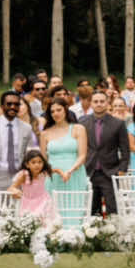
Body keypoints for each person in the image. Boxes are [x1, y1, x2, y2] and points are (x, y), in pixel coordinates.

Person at [40, 97, 89, 227]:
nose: (56, 113)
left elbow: (82, 155)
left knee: (73, 205)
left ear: (66, 110)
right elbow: (43, 160)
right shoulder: (45, 133)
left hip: (74, 173)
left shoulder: (78, 129)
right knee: (54, 208)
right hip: (54, 175)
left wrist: (70, 171)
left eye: (59, 110)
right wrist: (54, 171)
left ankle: (73, 235)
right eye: (52, 111)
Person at [82, 89, 131, 215]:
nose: (99, 104)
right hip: (89, 172)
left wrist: (122, 169)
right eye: (96, 101)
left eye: (102, 101)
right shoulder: (82, 122)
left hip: (110, 172)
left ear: (107, 103)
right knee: (91, 210)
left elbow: (125, 150)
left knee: (112, 210)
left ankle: (114, 233)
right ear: (91, 103)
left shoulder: (118, 124)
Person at [9, 147, 57, 222]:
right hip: (28, 203)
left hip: (43, 200)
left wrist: (63, 173)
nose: (37, 165)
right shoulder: (24, 175)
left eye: (40, 162)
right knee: (29, 222)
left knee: (44, 220)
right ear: (27, 164)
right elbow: (11, 188)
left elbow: (55, 170)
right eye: (33, 162)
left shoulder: (43, 173)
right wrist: (15, 191)